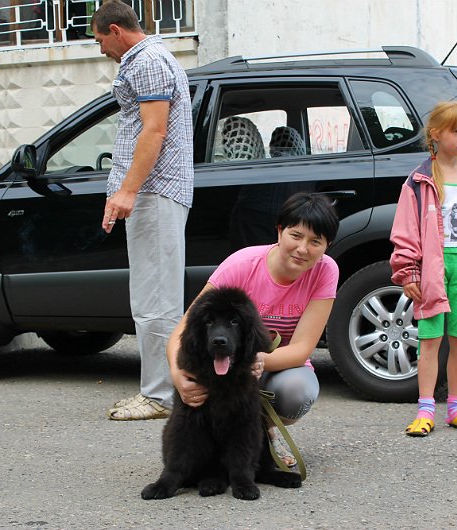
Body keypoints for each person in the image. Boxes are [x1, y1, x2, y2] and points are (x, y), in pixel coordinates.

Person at [167, 192, 340, 466]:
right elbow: (183, 330)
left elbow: (302, 348)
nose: (303, 249)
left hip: (274, 365)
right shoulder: (242, 265)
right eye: (296, 235)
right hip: (225, 363)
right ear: (280, 230)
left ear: (327, 245)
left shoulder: (325, 271)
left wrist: (261, 360)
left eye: (315, 242)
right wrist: (178, 377)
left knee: (298, 392)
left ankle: (264, 432)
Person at [92, 1, 194, 420]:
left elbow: (154, 129)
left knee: (155, 300)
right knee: (154, 297)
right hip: (155, 192)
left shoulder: (147, 61)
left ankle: (159, 395)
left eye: (100, 40)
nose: (100, 50)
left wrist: (128, 192)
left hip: (154, 192)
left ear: (116, 30)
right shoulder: (152, 57)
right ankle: (161, 390)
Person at [389, 101, 457, 437]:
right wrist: (409, 271)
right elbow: (406, 228)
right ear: (436, 134)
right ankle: (425, 409)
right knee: (430, 339)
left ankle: (456, 407)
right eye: (456, 131)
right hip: (432, 267)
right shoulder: (419, 181)